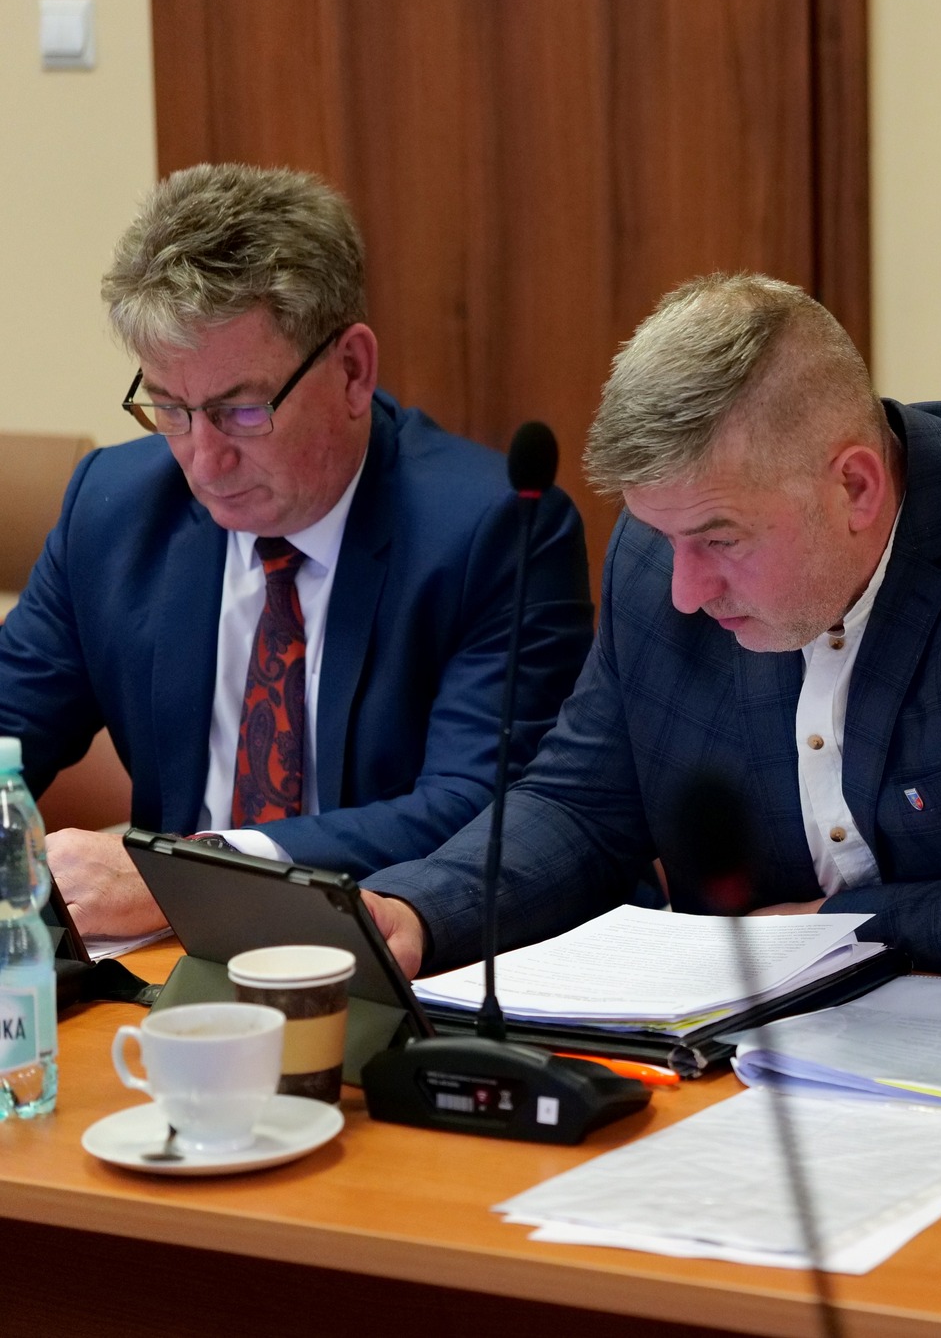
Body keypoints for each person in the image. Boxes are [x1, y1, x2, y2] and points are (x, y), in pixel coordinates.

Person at [366, 273, 941, 991]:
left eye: (721, 541)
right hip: (752, 1079)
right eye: (666, 538)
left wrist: (843, 924)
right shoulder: (662, 554)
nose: (686, 591)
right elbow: (581, 806)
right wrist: (420, 910)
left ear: (856, 488)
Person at [0, 163, 592, 941]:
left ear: (352, 370)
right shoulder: (114, 509)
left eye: (241, 411)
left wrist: (191, 872)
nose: (204, 460)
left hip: (383, 960)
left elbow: (478, 811)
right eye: (170, 408)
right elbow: (9, 726)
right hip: (158, 965)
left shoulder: (495, 531)